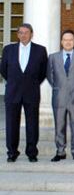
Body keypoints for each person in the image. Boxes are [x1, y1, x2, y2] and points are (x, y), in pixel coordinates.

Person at [0, 23, 48, 162]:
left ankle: (32, 153)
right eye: (20, 32)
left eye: (26, 32)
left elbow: (43, 72)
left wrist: (31, 83)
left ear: (31, 34)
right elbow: (3, 69)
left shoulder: (40, 50)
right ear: (17, 34)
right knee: (11, 124)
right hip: (13, 92)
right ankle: (12, 152)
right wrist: (15, 81)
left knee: (32, 123)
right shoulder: (9, 49)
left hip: (31, 91)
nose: (23, 35)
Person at [47, 30, 74, 162]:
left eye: (70, 40)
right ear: (61, 42)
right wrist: (60, 87)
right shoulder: (53, 57)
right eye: (65, 40)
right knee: (59, 125)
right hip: (59, 97)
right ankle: (60, 151)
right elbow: (50, 75)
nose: (68, 42)